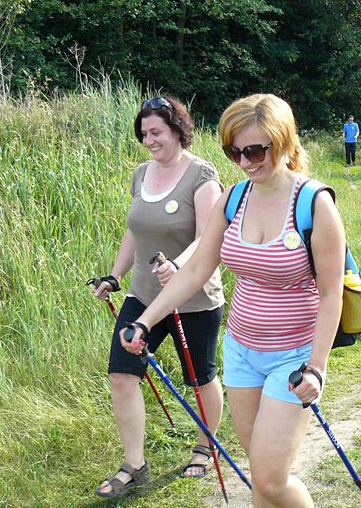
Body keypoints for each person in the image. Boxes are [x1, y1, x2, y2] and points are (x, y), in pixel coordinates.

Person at [121, 94, 346, 507]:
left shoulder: (314, 204)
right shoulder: (234, 198)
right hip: (241, 351)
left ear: (283, 142)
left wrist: (316, 366)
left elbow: (332, 294)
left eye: (255, 151)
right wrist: (145, 321)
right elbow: (195, 270)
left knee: (271, 479)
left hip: (293, 357)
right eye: (234, 152)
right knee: (259, 474)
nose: (244, 162)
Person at [91, 96, 226, 498]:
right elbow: (135, 230)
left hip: (194, 297)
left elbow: (208, 235)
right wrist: (115, 276)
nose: (149, 140)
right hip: (144, 296)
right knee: (122, 375)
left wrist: (179, 264)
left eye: (156, 132)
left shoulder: (202, 174)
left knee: (200, 378)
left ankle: (205, 447)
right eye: (144, 133)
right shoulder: (141, 174)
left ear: (178, 131)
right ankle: (134, 465)